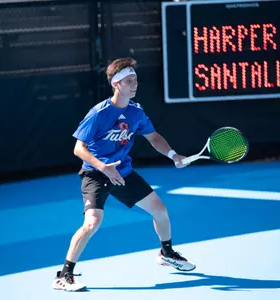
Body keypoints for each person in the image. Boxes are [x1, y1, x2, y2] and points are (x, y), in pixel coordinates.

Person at [52, 57, 195, 292]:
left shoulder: (136, 112)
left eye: (135, 80)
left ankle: (166, 253)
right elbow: (78, 148)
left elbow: (154, 137)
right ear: (116, 84)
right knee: (92, 223)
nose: (134, 84)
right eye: (129, 81)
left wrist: (173, 154)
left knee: (160, 211)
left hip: (123, 173)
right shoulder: (98, 113)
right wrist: (102, 167)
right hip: (96, 174)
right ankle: (64, 274)